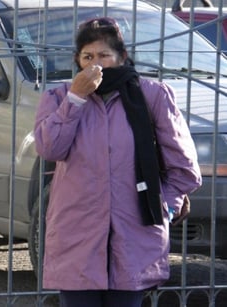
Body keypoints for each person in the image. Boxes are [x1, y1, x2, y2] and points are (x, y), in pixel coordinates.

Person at [34, 17, 202, 307]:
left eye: (103, 56)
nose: (95, 64)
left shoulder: (152, 96)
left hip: (134, 233)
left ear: (121, 58)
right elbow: (51, 148)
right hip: (76, 233)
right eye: (87, 57)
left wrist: (165, 206)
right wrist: (76, 98)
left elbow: (184, 168)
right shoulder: (59, 97)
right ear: (77, 60)